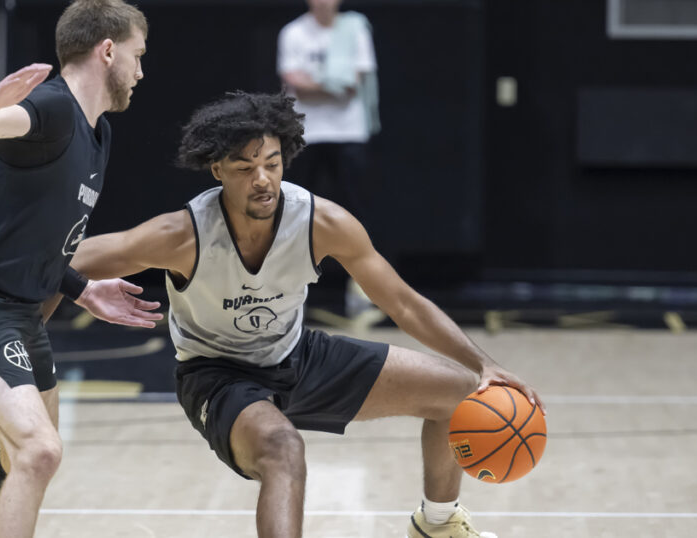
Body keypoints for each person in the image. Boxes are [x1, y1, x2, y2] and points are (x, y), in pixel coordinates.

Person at [67, 92, 543, 538]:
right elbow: (68, 257)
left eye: (272, 163)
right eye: (245, 166)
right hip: (217, 375)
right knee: (283, 450)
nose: (262, 179)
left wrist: (484, 365)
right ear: (217, 170)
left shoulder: (321, 222)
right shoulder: (182, 234)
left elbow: (402, 302)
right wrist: (66, 293)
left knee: (461, 393)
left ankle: (436, 523)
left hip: (298, 355)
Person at [0, 1, 160, 537]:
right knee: (39, 450)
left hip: (22, 313)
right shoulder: (48, 107)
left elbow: (36, 235)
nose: (141, 72)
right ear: (108, 50)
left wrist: (80, 287)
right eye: (138, 56)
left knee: (20, 458)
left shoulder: (98, 132)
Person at [278, 0, 381, 319]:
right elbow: (297, 85)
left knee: (356, 211)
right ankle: (286, 288)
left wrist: (314, 82)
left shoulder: (355, 30)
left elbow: (352, 86)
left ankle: (363, 289)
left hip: (349, 133)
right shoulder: (293, 32)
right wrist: (330, 82)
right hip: (305, 133)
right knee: (293, 209)